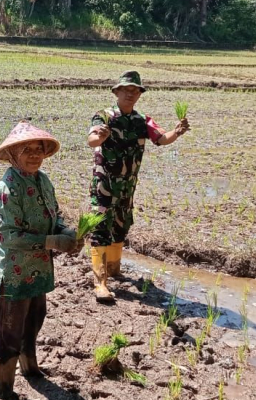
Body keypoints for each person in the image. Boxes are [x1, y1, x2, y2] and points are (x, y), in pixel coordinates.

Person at [0, 122, 82, 399]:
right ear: (13, 155)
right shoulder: (6, 189)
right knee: (9, 329)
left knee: (34, 319)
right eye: (26, 150)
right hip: (14, 271)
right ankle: (3, 385)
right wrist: (52, 242)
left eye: (38, 149)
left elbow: (55, 215)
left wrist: (66, 232)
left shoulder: (43, 180)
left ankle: (30, 367)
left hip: (38, 268)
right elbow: (10, 237)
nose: (34, 155)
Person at [86, 70, 190, 302]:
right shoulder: (103, 116)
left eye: (136, 91)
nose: (131, 94)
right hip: (105, 184)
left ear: (139, 95)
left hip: (127, 186)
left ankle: (114, 269)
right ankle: (100, 282)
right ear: (117, 92)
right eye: (127, 90)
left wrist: (178, 131)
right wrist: (100, 137)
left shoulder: (142, 120)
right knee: (101, 227)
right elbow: (91, 139)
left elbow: (162, 139)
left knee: (121, 225)